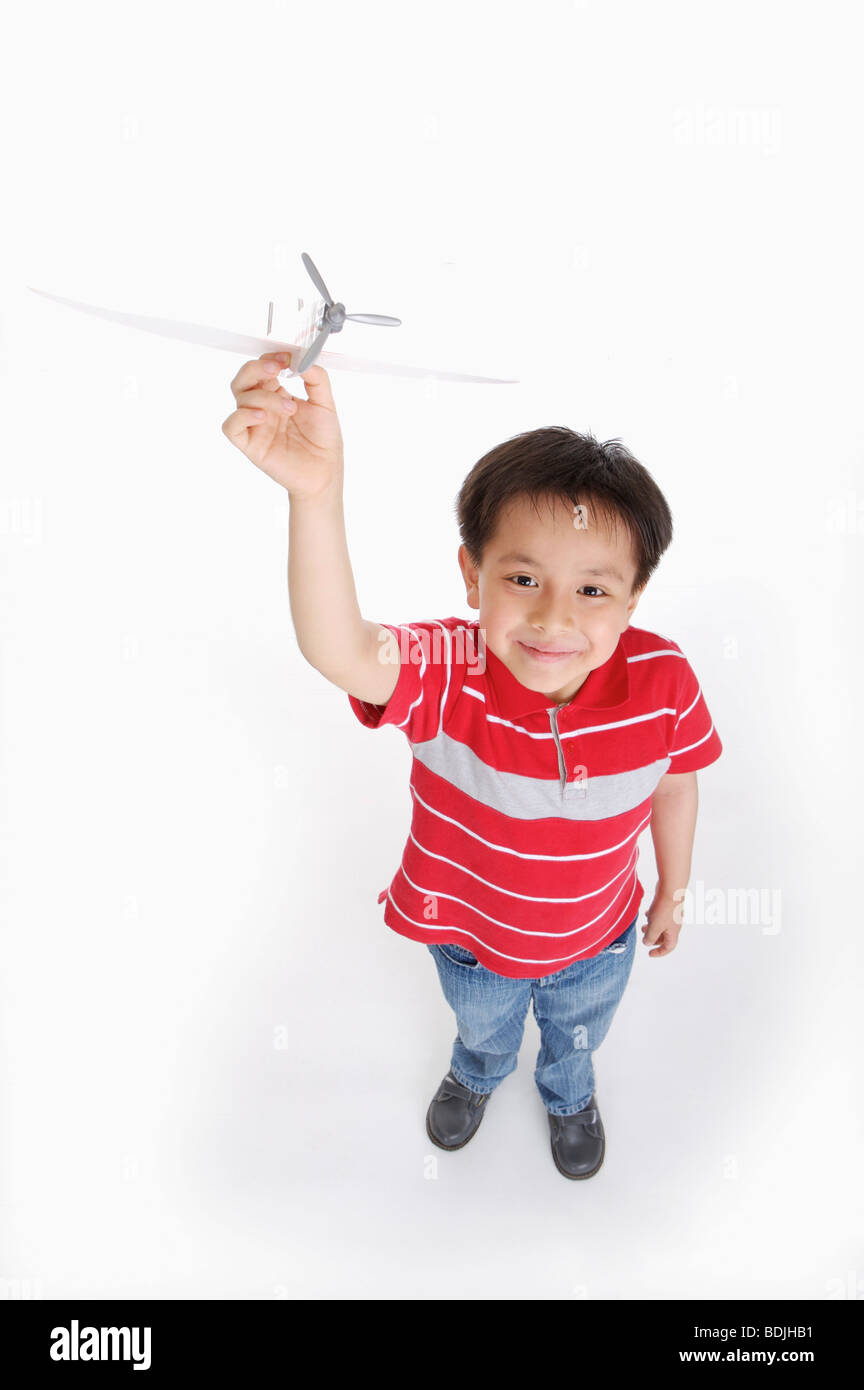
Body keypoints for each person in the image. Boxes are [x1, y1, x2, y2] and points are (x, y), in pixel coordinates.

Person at [221, 352, 723, 1181]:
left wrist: (673, 888)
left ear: (634, 599)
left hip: (598, 939)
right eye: (522, 577)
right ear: (472, 574)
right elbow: (340, 649)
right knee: (483, 1024)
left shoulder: (664, 680)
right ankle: (480, 1073)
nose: (552, 618)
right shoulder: (447, 669)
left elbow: (677, 779)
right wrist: (315, 495)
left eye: (593, 591)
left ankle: (569, 1091)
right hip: (473, 940)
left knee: (577, 1029)